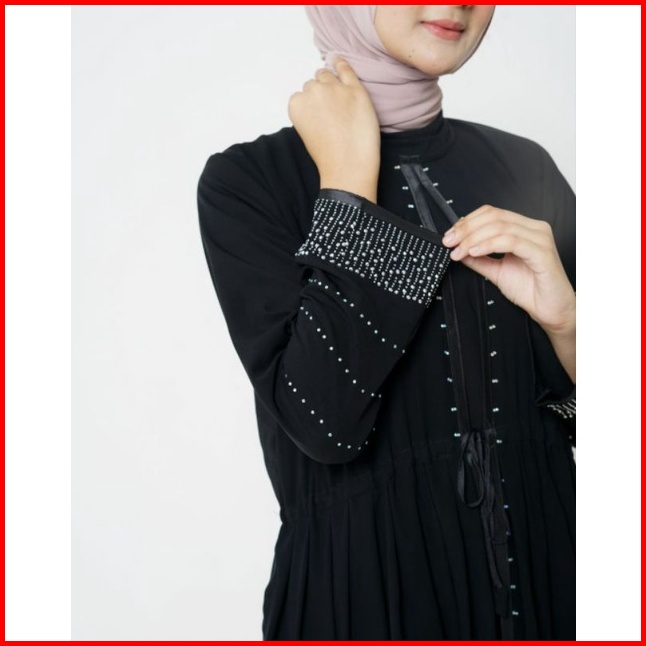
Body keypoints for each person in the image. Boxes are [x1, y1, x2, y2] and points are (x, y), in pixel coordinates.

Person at [197, 5, 575, 640]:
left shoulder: (525, 165)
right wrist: (348, 186)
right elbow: (323, 425)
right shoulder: (249, 183)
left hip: (555, 588)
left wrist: (570, 326)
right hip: (368, 603)